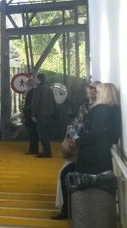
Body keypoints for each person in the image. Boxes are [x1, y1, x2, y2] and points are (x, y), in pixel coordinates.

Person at [66, 83, 121, 227]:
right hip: (103, 155)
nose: (94, 93)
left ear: (104, 93)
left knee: (79, 187)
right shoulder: (114, 110)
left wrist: (77, 140)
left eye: (97, 91)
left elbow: (94, 133)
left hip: (92, 156)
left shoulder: (100, 109)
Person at [51, 81, 100, 220]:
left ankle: (66, 209)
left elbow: (88, 129)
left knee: (64, 174)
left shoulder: (94, 108)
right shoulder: (86, 105)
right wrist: (73, 132)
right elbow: (77, 124)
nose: (91, 90)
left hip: (82, 147)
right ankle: (65, 208)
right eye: (90, 87)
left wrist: (76, 136)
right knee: (64, 173)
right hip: (77, 144)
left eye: (94, 88)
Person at [31, 73, 56, 158]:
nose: (34, 80)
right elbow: (53, 102)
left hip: (41, 114)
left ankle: (46, 152)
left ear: (38, 80)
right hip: (48, 114)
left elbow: (35, 103)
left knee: (42, 133)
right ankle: (47, 150)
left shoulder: (38, 89)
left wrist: (33, 114)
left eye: (35, 79)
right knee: (46, 133)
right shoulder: (48, 88)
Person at [23, 78, 39, 155]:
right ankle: (33, 149)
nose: (26, 87)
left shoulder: (31, 93)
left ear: (30, 85)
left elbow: (32, 105)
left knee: (32, 133)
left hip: (30, 116)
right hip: (32, 116)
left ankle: (33, 149)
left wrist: (30, 113)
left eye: (27, 85)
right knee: (34, 133)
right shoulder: (34, 92)